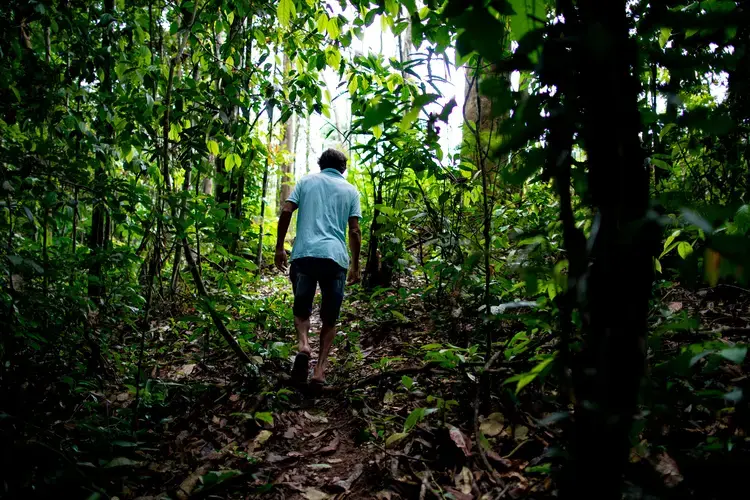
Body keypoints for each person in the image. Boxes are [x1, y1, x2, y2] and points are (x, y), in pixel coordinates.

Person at [275, 148, 362, 388]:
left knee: (302, 308)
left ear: (320, 164)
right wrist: (355, 265)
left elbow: (286, 210)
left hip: (304, 256)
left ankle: (303, 344)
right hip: (334, 260)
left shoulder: (306, 181)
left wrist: (280, 247)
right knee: (330, 318)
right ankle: (320, 371)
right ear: (342, 168)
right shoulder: (351, 190)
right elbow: (354, 230)